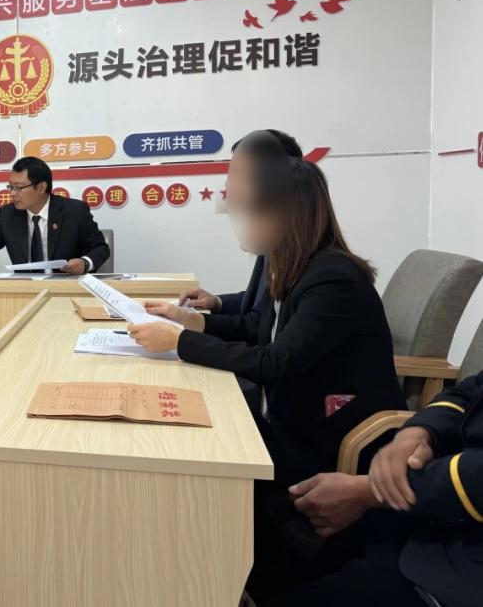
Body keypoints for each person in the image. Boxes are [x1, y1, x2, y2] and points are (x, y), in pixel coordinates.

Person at [130, 149, 405, 480]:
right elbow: (256, 326)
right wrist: (193, 320)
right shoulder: (290, 263)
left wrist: (180, 341)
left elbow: (276, 362)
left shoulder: (333, 279)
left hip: (330, 438)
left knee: (196, 454)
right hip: (288, 414)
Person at [264, 373, 483, 607]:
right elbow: (468, 391)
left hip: (458, 573)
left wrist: (369, 491)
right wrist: (420, 431)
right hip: (434, 515)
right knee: (277, 529)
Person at [179, 129, 303, 315]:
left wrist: (187, 330)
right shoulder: (272, 238)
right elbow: (259, 305)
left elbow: (262, 325)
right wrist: (217, 302)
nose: (229, 185)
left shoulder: (309, 261)